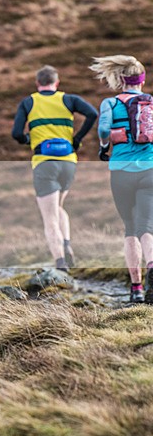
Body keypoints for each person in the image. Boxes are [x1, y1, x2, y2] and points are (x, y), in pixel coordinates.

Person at [12, 65, 97, 271]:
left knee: (49, 217)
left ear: (37, 83)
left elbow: (16, 133)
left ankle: (60, 263)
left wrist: (26, 139)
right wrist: (76, 139)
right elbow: (92, 113)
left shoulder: (29, 102)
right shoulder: (68, 100)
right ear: (56, 83)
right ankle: (67, 244)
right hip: (68, 162)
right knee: (58, 207)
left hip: (44, 163)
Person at [90, 55, 153, 304]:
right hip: (150, 171)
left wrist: (105, 146)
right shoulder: (151, 103)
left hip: (121, 173)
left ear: (120, 79)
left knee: (130, 228)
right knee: (147, 227)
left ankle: (136, 288)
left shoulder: (110, 103)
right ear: (142, 79)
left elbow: (104, 129)